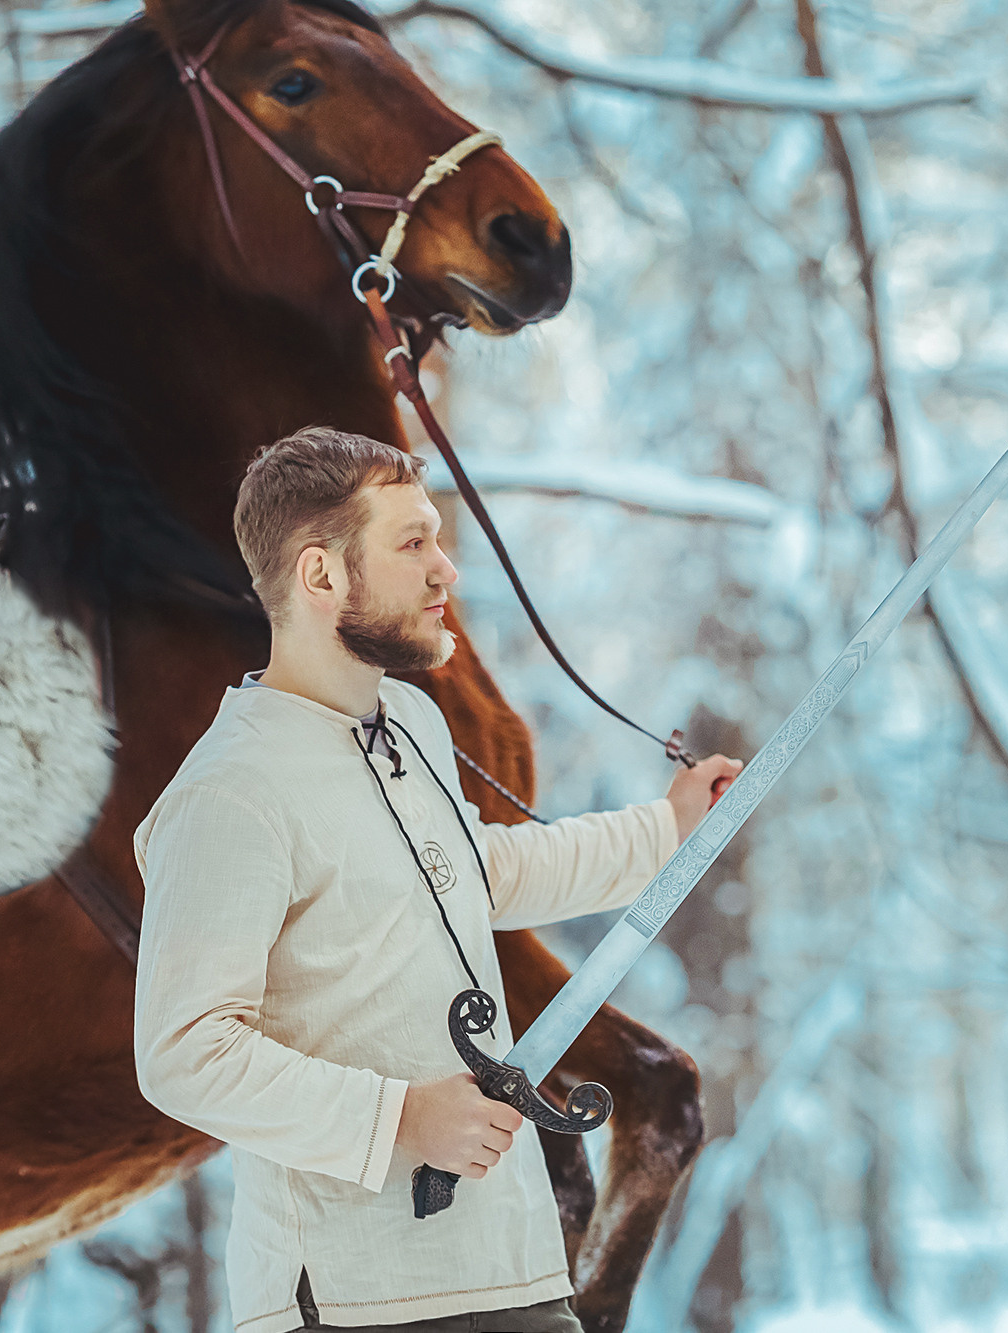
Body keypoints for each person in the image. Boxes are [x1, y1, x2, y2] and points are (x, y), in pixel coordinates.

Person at [133, 426, 743, 1333]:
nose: (444, 570)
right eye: (412, 542)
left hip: (512, 1267)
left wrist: (669, 828)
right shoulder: (230, 792)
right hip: (353, 1298)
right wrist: (400, 1119)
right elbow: (184, 1051)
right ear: (321, 576)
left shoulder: (408, 723)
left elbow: (476, 872)